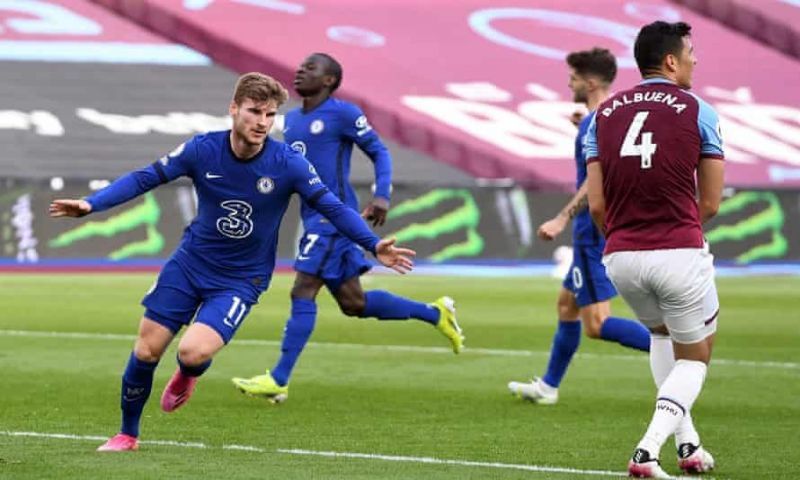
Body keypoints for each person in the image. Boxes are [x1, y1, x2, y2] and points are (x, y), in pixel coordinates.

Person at [49, 72, 416, 452]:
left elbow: (333, 207)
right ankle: (128, 434)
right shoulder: (201, 150)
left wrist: (373, 245)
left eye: (270, 115)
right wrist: (92, 204)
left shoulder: (287, 162)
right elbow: (146, 178)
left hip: (241, 278)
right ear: (233, 109)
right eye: (254, 111)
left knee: (192, 352)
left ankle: (188, 374)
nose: (262, 122)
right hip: (190, 264)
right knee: (146, 350)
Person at [230, 53, 464, 403]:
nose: (300, 70)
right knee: (354, 303)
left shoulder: (343, 114)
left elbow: (379, 152)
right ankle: (434, 313)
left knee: (303, 289)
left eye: (311, 68)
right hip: (313, 218)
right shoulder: (290, 121)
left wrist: (381, 195)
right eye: (301, 65)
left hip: (334, 217)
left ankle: (278, 379)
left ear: (329, 80)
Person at [585, 21, 724, 478]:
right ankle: (646, 451)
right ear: (670, 60)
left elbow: (597, 205)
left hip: (620, 257)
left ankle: (689, 446)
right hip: (678, 251)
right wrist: (671, 231)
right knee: (697, 354)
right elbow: (710, 201)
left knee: (663, 337)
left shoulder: (601, 115)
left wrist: (628, 234)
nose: (695, 60)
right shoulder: (699, 109)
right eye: (690, 53)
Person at [508, 48, 650, 405]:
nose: (568, 83)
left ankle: (676, 349)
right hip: (604, 227)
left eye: (572, 78)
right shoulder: (613, 116)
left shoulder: (595, 122)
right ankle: (548, 387)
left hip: (592, 232)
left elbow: (595, 179)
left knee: (597, 324)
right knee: (566, 306)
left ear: (589, 82)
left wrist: (561, 217)